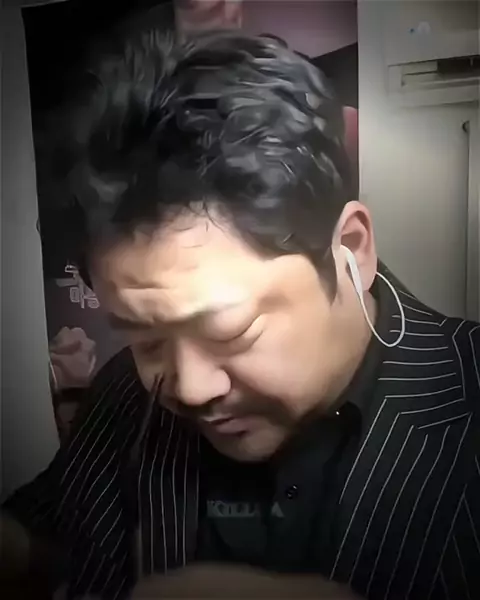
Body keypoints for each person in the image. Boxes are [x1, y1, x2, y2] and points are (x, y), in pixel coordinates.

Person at [1, 30, 479, 600]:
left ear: (350, 248)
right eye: (145, 338)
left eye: (231, 331)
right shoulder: (126, 391)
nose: (189, 388)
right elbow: (56, 529)